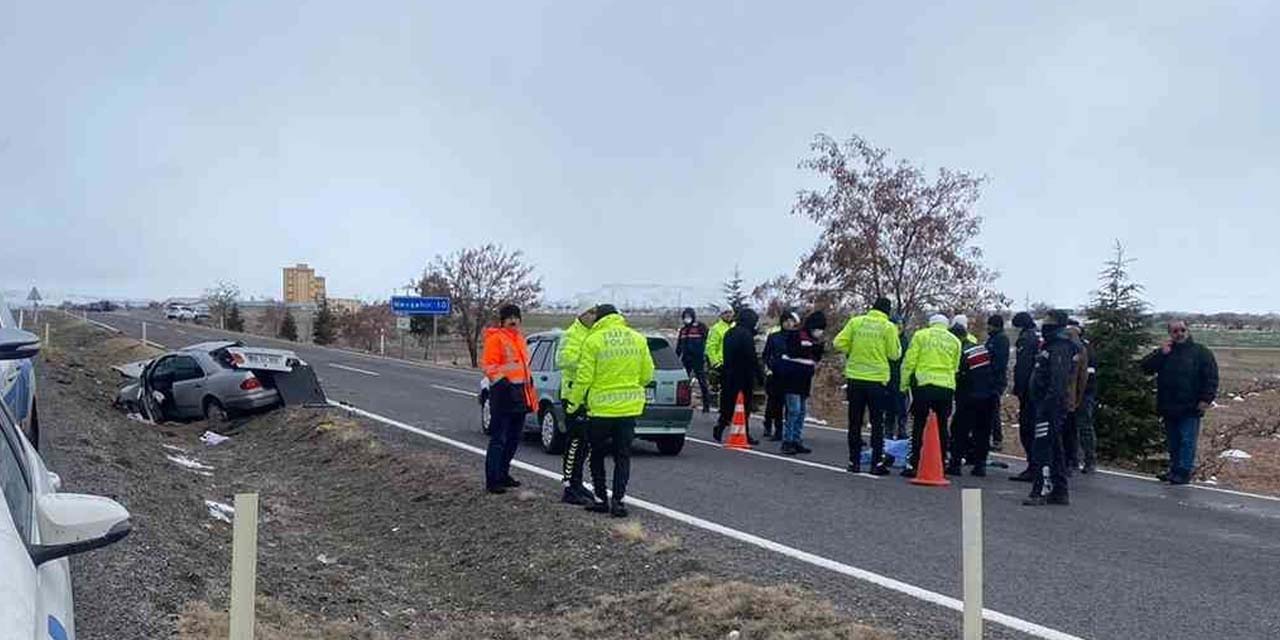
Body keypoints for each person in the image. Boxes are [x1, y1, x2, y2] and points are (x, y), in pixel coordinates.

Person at [566, 304, 655, 517]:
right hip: (628, 409)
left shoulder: (593, 340)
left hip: (601, 410)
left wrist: (573, 404)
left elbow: (584, 378)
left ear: (601, 319)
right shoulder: (638, 338)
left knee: (597, 455)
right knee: (622, 456)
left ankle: (600, 499)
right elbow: (647, 375)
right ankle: (618, 501)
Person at [1141, 320, 1219, 485]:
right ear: (1170, 333)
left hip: (1191, 405)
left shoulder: (1201, 352)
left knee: (1187, 440)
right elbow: (1145, 368)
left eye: (1182, 330)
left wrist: (1206, 399)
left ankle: (1184, 472)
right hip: (1169, 405)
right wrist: (1161, 353)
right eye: (1175, 331)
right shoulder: (1165, 353)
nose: (1179, 334)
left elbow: (1211, 378)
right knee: (1173, 440)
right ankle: (1174, 469)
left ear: (1188, 331)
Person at [834, 297, 902, 475]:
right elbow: (894, 354)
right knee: (877, 422)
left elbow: (838, 342)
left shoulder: (856, 322)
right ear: (887, 311)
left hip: (855, 379)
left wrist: (853, 350)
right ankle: (876, 464)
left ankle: (853, 461)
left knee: (855, 422)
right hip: (877, 381)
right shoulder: (888, 327)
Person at [1023, 310, 1081, 506]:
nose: (1044, 325)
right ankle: (1059, 490)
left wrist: (1048, 405)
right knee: (1054, 447)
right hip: (1045, 405)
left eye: (1048, 321)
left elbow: (1058, 380)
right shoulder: (1052, 345)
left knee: (1043, 448)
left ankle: (1041, 489)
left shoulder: (1060, 347)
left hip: (1050, 408)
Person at [482, 304, 537, 494]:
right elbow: (489, 365)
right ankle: (493, 480)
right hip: (503, 394)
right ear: (502, 321)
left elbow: (523, 367)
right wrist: (502, 383)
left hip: (520, 394)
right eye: (509, 317)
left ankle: (503, 474)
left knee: (514, 439)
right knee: (499, 439)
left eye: (516, 317)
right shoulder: (496, 339)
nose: (513, 320)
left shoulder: (520, 340)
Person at [900, 314, 962, 477]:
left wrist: (904, 385)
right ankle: (941, 462)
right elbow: (955, 367)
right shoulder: (954, 340)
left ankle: (914, 463)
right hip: (946, 388)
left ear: (931, 323)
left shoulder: (921, 335)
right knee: (942, 426)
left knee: (918, 424)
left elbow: (909, 362)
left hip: (924, 385)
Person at [947, 315, 1006, 477]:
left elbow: (959, 375)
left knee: (960, 429)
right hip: (988, 395)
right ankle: (980, 466)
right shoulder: (980, 348)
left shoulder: (960, 351)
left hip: (970, 396)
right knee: (982, 431)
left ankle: (955, 464)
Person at [555, 306, 596, 505]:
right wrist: (585, 362)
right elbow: (562, 359)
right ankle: (569, 486)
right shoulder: (572, 334)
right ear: (582, 314)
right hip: (572, 395)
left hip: (589, 396)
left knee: (584, 443)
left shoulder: (593, 334)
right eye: (591, 312)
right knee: (574, 441)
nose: (594, 316)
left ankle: (578, 482)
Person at [775, 311, 826, 455]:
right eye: (818, 328)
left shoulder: (814, 340)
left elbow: (814, 358)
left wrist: (817, 350)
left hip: (804, 379)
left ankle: (796, 439)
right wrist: (809, 349)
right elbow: (792, 352)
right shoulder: (797, 335)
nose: (819, 332)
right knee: (794, 410)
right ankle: (788, 441)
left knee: (802, 411)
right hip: (792, 378)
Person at [716, 307, 765, 444]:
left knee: (729, 402)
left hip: (728, 373)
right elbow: (751, 357)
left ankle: (721, 426)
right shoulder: (746, 335)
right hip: (744, 374)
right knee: (745, 406)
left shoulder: (729, 333)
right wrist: (760, 375)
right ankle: (745, 434)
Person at [1009, 312, 1041, 482]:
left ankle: (1033, 466)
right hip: (1039, 390)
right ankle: (1038, 465)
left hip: (1029, 391)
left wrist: (1019, 389)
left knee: (1027, 429)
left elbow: (1023, 366)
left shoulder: (1027, 339)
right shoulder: (1038, 335)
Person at [1067, 319, 1099, 473]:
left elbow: (1089, 373)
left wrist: (1082, 393)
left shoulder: (1085, 348)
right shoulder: (1067, 347)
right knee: (1070, 427)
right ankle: (1072, 458)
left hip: (1085, 393)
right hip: (1070, 394)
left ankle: (1089, 460)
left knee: (1084, 426)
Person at [761, 313, 795, 441]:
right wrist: (770, 367)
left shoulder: (796, 338)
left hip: (791, 375)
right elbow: (766, 355)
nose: (788, 324)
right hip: (775, 375)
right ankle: (775, 429)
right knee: (775, 404)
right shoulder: (774, 337)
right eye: (786, 321)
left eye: (791, 321)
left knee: (790, 406)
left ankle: (788, 432)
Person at [675, 308, 712, 413]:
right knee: (683, 382)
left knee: (702, 382)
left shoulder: (700, 327)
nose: (687, 319)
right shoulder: (683, 331)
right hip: (686, 359)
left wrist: (706, 356)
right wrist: (676, 359)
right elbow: (679, 347)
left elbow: (708, 342)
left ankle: (706, 405)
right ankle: (683, 402)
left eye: (689, 316)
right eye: (685, 317)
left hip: (698, 358)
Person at [986, 315, 1011, 452]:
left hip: (995, 381)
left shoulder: (1000, 340)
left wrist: (989, 374)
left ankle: (997, 440)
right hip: (992, 380)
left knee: (993, 410)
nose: (987, 327)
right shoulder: (993, 339)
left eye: (989, 325)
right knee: (990, 411)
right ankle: (993, 438)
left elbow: (999, 362)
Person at [705, 308, 735, 408]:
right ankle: (723, 410)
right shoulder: (716, 328)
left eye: (730, 312)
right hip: (722, 364)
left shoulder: (735, 327)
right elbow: (710, 347)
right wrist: (715, 363)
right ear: (721, 315)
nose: (728, 315)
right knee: (725, 390)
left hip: (734, 363)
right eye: (725, 313)